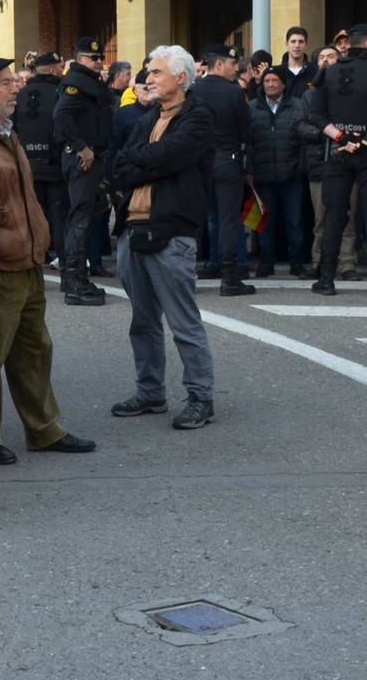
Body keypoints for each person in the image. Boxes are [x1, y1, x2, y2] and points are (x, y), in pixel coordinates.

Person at [0, 54, 96, 465]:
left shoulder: (5, 133)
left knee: (35, 350)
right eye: (5, 83)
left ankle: (44, 429)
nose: (15, 88)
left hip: (27, 259)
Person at [106, 47, 216, 430]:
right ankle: (150, 392)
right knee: (142, 321)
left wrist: (144, 160)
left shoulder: (198, 117)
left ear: (181, 77)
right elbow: (119, 166)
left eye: (155, 72)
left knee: (183, 322)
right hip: (132, 231)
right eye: (147, 72)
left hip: (171, 234)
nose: (147, 78)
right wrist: (147, 160)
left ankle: (201, 396)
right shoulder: (146, 117)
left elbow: (171, 156)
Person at [303, 24, 367, 297]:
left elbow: (316, 115)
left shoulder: (329, 73)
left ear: (350, 45)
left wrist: (341, 137)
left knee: (334, 214)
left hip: (339, 151)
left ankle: (326, 279)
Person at [52, 35, 116, 305]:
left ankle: (73, 277)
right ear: (79, 60)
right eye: (93, 58)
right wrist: (82, 147)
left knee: (81, 217)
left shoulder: (88, 81)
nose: (99, 61)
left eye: (101, 57)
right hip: (83, 158)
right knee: (79, 220)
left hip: (92, 155)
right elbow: (61, 116)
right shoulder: (76, 83)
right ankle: (76, 282)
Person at [191, 44, 256, 296]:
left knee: (202, 217)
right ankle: (230, 278)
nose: (235, 68)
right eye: (231, 64)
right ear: (219, 64)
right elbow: (246, 130)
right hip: (228, 161)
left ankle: (191, 270)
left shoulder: (194, 90)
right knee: (229, 220)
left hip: (200, 162)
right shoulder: (233, 92)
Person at [248, 67, 307, 276]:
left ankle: (297, 262)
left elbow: (303, 141)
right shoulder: (252, 107)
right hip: (263, 175)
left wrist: (299, 167)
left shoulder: (298, 106)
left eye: (274, 80)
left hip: (291, 174)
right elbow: (249, 142)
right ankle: (266, 262)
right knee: (264, 222)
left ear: (283, 84)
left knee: (294, 220)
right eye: (267, 81)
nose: (270, 84)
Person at [13, 52, 68, 265]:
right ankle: (64, 259)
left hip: (28, 164)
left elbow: (12, 128)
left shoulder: (21, 93)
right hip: (55, 165)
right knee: (60, 215)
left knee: (35, 213)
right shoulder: (61, 92)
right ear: (54, 69)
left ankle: (38, 254)